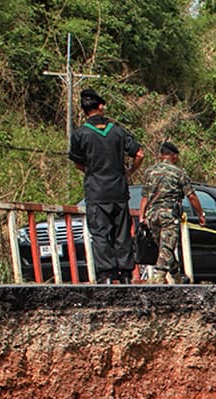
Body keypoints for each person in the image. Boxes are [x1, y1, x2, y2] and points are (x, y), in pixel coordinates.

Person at [68, 89, 143, 283]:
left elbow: (77, 162)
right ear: (100, 106)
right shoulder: (117, 131)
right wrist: (129, 172)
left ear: (84, 110)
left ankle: (106, 274)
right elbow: (139, 154)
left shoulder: (80, 134)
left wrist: (93, 172)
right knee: (122, 232)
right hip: (119, 190)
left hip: (96, 191)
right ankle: (126, 273)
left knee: (100, 234)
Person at [137, 141, 205, 284]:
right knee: (167, 246)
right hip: (169, 215)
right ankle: (159, 277)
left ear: (161, 155)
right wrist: (200, 214)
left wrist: (142, 216)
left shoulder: (150, 172)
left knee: (163, 247)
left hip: (152, 214)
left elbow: (144, 196)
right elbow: (191, 195)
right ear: (173, 156)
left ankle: (176, 274)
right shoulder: (178, 173)